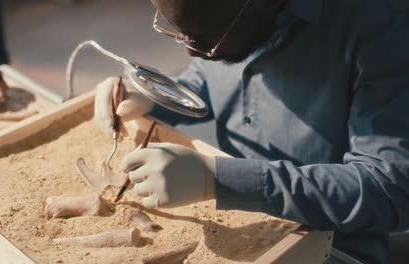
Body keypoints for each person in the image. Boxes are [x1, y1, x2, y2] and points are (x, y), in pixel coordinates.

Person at [94, 0, 409, 263]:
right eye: (180, 33)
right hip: (238, 218)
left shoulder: (385, 29)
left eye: (204, 39)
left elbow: (390, 190)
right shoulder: (230, 22)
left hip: (330, 248)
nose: (191, 52)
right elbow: (207, 78)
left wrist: (219, 179)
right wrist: (153, 97)